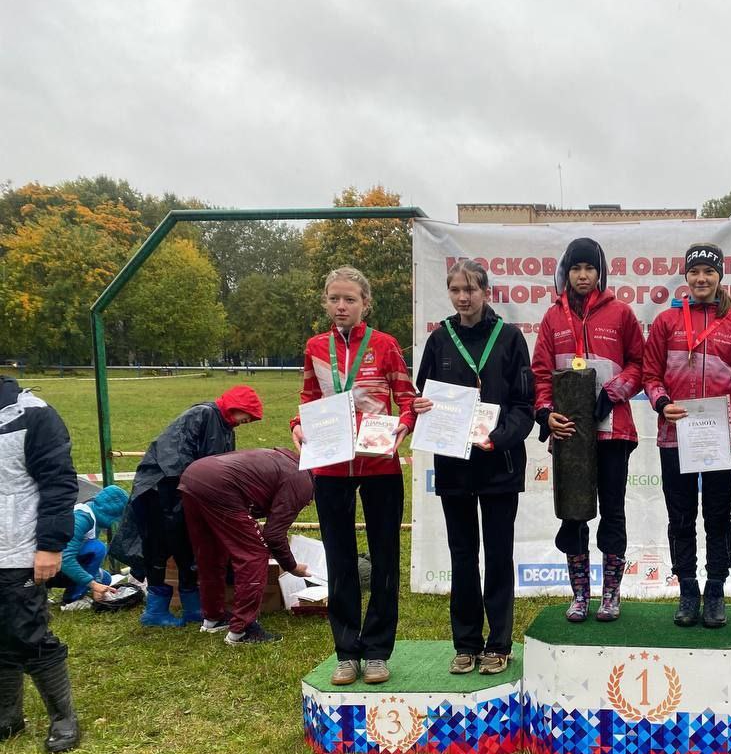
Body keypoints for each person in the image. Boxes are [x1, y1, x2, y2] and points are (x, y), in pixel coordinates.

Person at [292, 266, 416, 686]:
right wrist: (297, 424)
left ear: (365, 303)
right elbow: (309, 397)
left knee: (384, 556)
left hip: (378, 461)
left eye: (350, 299)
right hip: (330, 464)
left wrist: (405, 422)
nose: (341, 306)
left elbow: (407, 397)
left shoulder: (384, 345)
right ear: (325, 302)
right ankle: (346, 652)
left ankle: (378, 651)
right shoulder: (314, 346)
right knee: (339, 557)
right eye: (334, 298)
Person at [414, 260, 534, 675]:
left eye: (471, 290)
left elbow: (524, 406)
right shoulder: (439, 340)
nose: (463, 298)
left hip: (498, 464)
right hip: (453, 467)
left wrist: (497, 438)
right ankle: (466, 643)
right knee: (462, 556)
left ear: (486, 291)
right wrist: (421, 409)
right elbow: (423, 396)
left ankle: (498, 644)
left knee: (498, 556)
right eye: (455, 290)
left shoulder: (510, 338)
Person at [643, 242, 731, 628]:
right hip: (675, 433)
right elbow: (650, 374)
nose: (701, 278)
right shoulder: (666, 322)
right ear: (686, 277)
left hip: (719, 437)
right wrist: (661, 403)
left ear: (719, 276)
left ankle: (715, 590)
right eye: (694, 272)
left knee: (716, 516)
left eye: (709, 272)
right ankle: (688, 589)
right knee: (680, 515)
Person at [531, 238, 644, 622]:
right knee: (573, 514)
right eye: (576, 268)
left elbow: (640, 365)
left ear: (601, 273)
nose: (583, 276)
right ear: (566, 272)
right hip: (569, 434)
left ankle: (611, 593)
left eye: (590, 269)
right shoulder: (552, 318)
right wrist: (546, 414)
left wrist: (612, 394)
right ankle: (580, 594)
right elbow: (541, 374)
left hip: (614, 432)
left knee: (612, 512)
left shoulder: (621, 314)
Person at [110, 386, 263, 628]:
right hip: (161, 491)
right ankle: (155, 611)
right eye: (247, 416)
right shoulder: (201, 415)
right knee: (158, 549)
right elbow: (174, 456)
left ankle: (193, 607)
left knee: (189, 550)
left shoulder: (226, 429)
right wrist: (195, 490)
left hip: (189, 495)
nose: (247, 422)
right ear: (236, 407)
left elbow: (223, 468)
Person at [0, 376, 81, 753]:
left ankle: (63, 717)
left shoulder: (33, 415)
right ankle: (7, 718)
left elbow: (59, 483)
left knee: (28, 633)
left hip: (19, 548)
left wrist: (49, 546)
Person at [179, 448, 315, 645]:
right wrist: (292, 566)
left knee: (211, 551)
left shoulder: (290, 462)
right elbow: (273, 534)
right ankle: (242, 630)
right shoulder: (303, 481)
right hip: (220, 484)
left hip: (194, 476)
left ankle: (213, 617)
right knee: (254, 553)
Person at [52, 485, 128, 611]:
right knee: (98, 548)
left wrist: (98, 582)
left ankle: (83, 589)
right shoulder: (81, 519)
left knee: (105, 579)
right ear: (110, 512)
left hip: (59, 568)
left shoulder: (93, 516)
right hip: (48, 568)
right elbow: (65, 558)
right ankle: (73, 599)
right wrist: (93, 584)